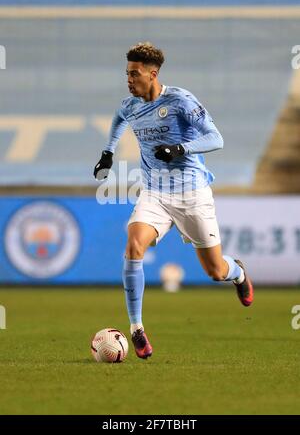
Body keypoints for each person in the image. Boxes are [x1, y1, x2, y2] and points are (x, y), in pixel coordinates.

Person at [94, 42, 254, 360]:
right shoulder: (130, 105)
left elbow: (216, 138)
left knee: (214, 270)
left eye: (135, 73)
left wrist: (182, 149)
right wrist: (108, 152)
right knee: (133, 245)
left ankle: (237, 273)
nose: (129, 79)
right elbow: (118, 119)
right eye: (127, 73)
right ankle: (137, 328)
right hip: (154, 193)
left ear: (153, 74)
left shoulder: (180, 100)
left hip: (192, 193)